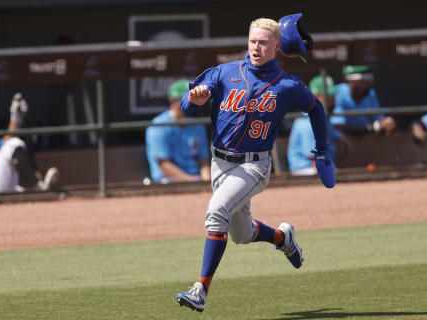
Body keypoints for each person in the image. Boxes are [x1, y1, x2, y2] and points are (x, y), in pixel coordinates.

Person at [175, 14, 334, 312]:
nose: (256, 47)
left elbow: (316, 109)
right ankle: (282, 238)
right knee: (241, 234)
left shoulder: (288, 85)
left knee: (216, 211)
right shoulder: (224, 72)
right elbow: (186, 103)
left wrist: (322, 150)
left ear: (277, 47)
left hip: (254, 166)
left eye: (263, 42)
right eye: (252, 41)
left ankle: (200, 290)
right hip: (220, 164)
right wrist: (192, 100)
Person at [0, 93, 59, 195]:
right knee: (14, 143)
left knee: (15, 144)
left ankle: (40, 186)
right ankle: (38, 185)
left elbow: (7, 146)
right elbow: (11, 144)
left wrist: (15, 118)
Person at [145, 79, 211, 184]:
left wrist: (207, 183)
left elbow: (203, 160)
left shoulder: (197, 124)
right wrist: (194, 183)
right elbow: (164, 166)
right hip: (166, 182)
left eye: (191, 98)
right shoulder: (158, 124)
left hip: (195, 179)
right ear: (172, 100)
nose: (189, 101)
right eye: (184, 98)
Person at [288, 75, 350, 175]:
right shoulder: (308, 121)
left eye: (333, 95)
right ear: (316, 97)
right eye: (329, 96)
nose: (333, 99)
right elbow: (314, 159)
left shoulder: (321, 116)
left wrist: (340, 137)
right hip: (304, 170)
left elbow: (331, 133)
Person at [331, 65, 396, 136]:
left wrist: (386, 123)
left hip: (364, 138)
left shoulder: (370, 93)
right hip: (342, 138)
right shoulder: (339, 93)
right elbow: (338, 127)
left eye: (369, 78)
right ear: (351, 80)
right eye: (363, 79)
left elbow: (378, 119)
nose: (367, 83)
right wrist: (373, 127)